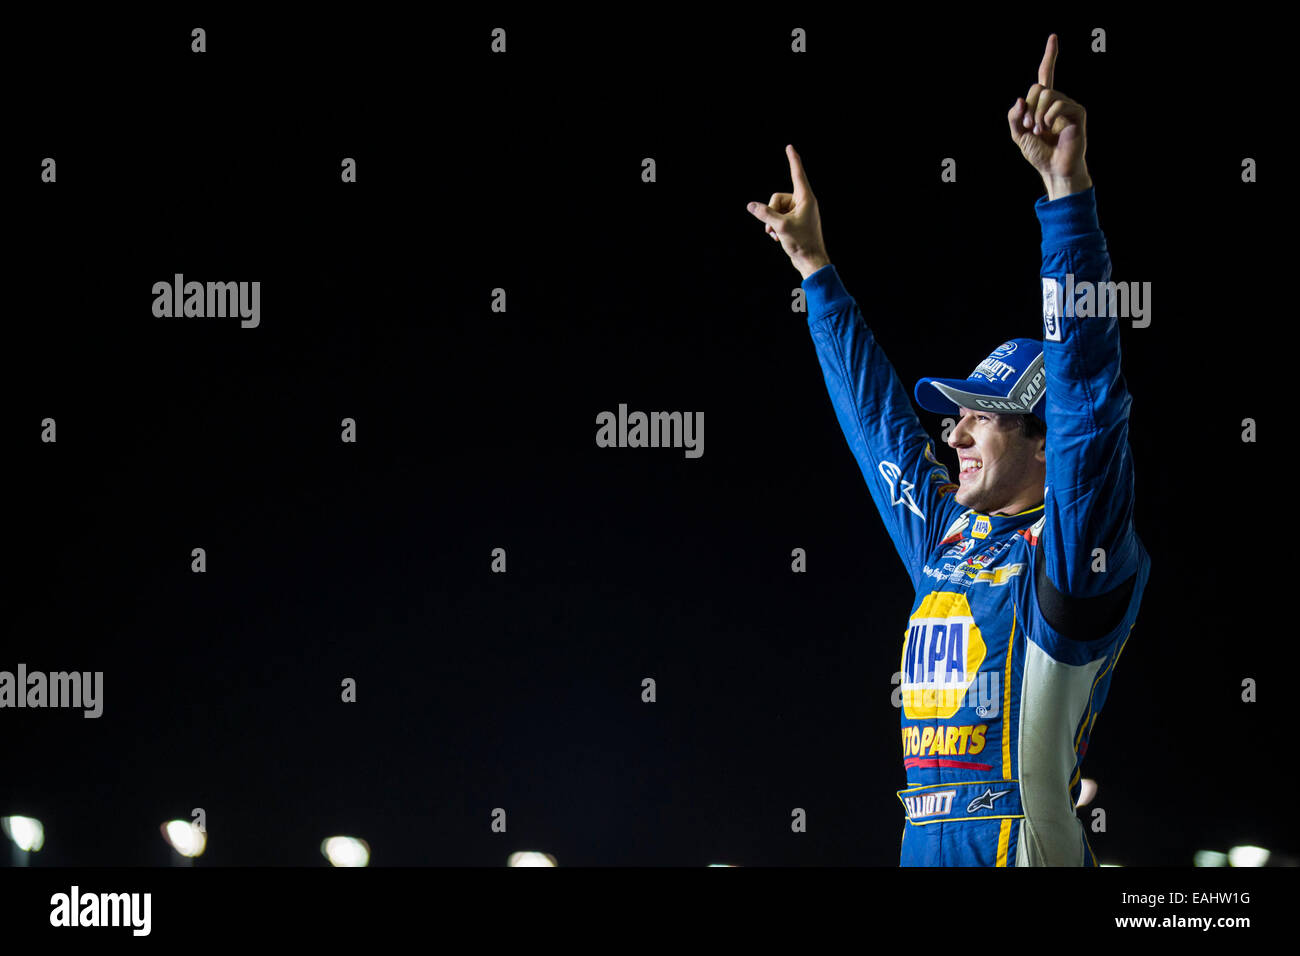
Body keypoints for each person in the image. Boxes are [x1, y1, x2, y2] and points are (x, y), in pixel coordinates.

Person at [746, 34, 1150, 866]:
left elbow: (1089, 393)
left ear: (1046, 446)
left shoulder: (1074, 554)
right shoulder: (948, 542)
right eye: (956, 418)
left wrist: (1065, 194)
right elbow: (880, 429)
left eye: (983, 417)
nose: (953, 433)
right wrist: (817, 272)